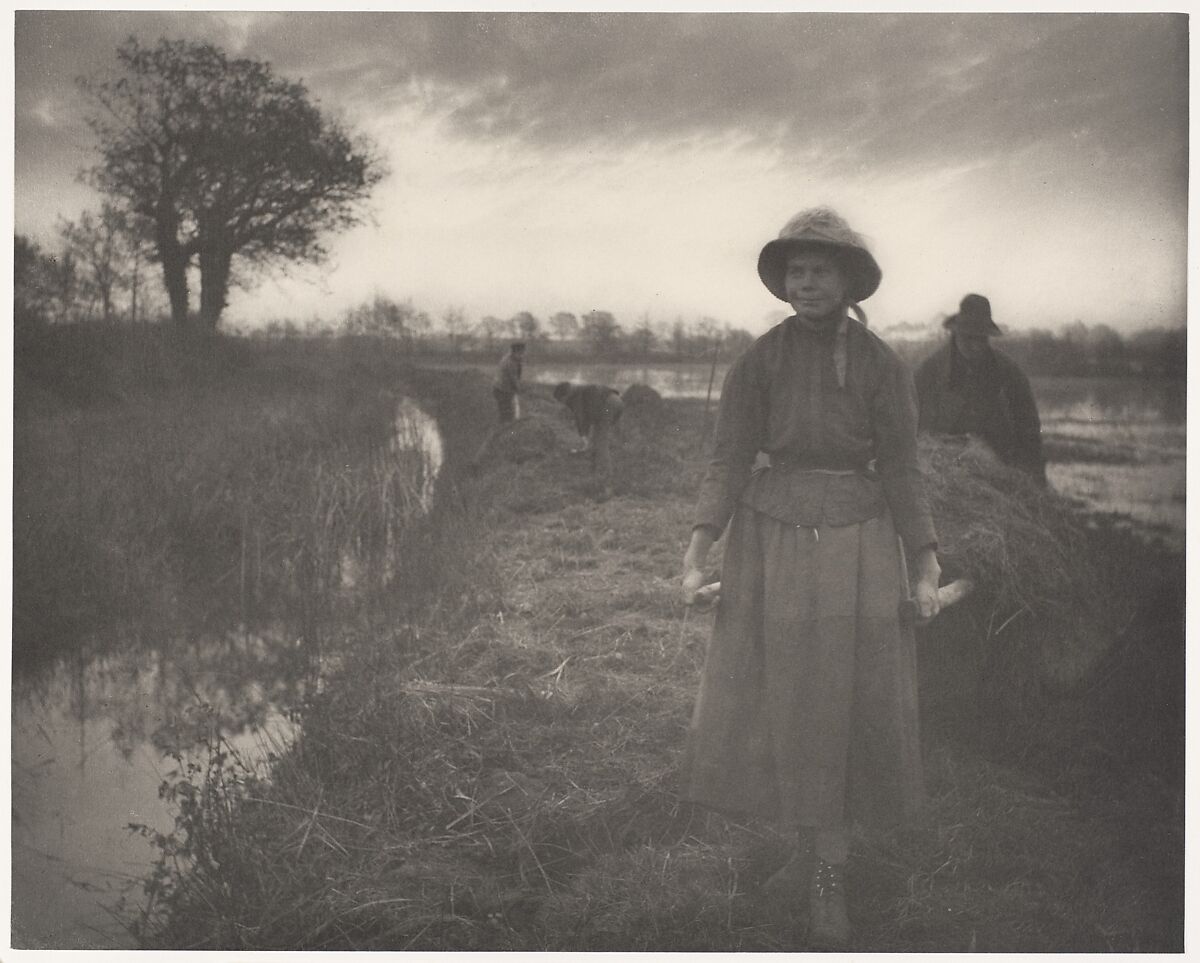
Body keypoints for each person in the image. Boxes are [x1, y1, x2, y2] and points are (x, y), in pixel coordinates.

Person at [679, 208, 941, 947]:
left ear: (851, 281)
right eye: (798, 270)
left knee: (844, 696)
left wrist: (924, 564)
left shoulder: (885, 367)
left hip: (857, 543)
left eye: (823, 270)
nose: (809, 281)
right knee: (784, 694)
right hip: (769, 542)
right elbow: (729, 457)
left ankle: (832, 871)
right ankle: (804, 851)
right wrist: (699, 547)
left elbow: (901, 467)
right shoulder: (757, 361)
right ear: (783, 281)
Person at [914, 294, 1046, 484]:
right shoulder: (928, 372)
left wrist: (1036, 480)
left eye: (981, 339)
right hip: (942, 473)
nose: (976, 346)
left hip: (998, 472)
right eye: (969, 338)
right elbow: (908, 427)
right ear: (955, 333)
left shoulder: (1009, 372)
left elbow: (1030, 430)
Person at [552, 381, 624, 478]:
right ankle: (595, 469)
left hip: (608, 406)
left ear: (565, 396)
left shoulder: (574, 397)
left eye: (561, 400)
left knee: (600, 440)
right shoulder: (579, 390)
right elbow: (588, 414)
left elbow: (580, 417)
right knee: (597, 437)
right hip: (617, 401)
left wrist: (583, 436)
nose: (562, 403)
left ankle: (606, 475)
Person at [492, 342, 526, 424]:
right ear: (514, 352)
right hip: (502, 390)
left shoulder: (513, 359)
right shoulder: (509, 362)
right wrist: (520, 389)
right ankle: (504, 430)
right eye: (520, 353)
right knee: (506, 413)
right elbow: (513, 378)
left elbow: (517, 376)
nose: (522, 355)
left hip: (504, 388)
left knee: (508, 411)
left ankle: (507, 426)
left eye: (523, 353)